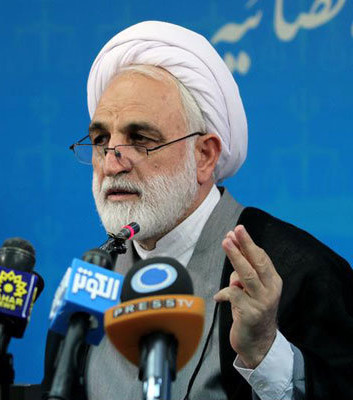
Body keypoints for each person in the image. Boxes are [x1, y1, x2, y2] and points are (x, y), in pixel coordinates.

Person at [42, 21, 353, 400]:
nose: (111, 163)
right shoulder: (90, 284)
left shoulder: (299, 272)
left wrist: (265, 351)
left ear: (204, 155)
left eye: (140, 139)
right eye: (101, 139)